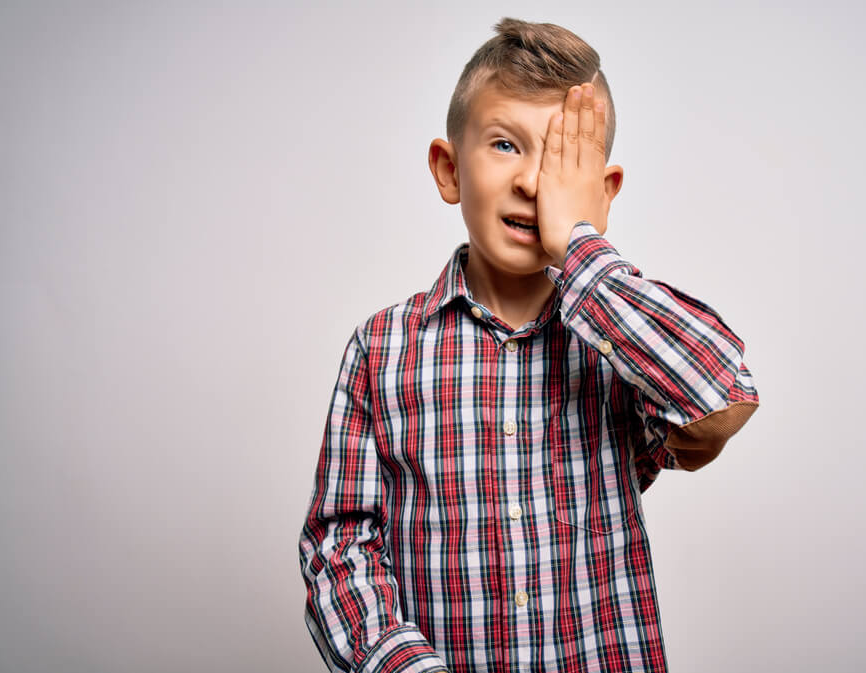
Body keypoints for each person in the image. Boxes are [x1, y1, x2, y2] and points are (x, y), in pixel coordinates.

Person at [298, 17, 760, 673]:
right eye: (506, 145)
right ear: (449, 168)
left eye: (561, 159)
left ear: (601, 192)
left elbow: (721, 396)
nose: (532, 182)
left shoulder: (622, 347)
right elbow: (339, 544)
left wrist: (583, 250)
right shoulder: (381, 349)